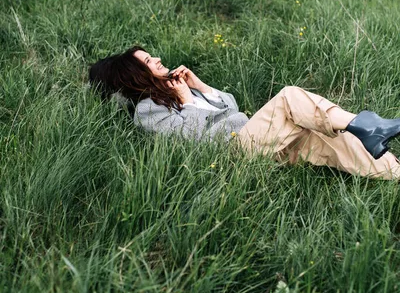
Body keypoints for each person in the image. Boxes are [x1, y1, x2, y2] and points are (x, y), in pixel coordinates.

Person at [89, 46, 400, 180]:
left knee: (328, 139)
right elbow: (192, 142)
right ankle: (368, 124)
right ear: (135, 75)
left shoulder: (181, 87)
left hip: (255, 138)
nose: (156, 58)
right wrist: (186, 102)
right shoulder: (147, 111)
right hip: (233, 154)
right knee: (290, 96)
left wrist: (203, 87)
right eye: (148, 61)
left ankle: (392, 168)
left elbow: (233, 109)